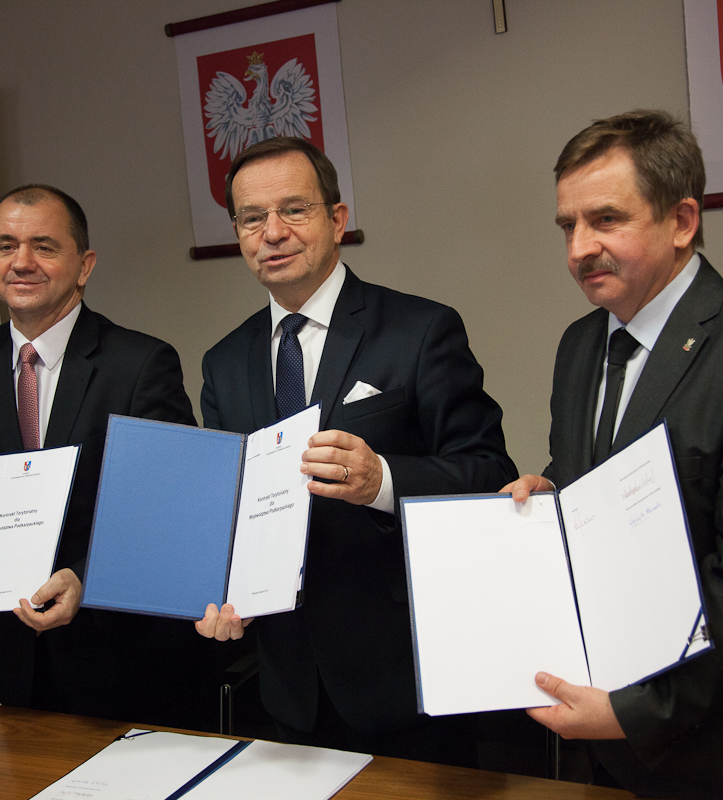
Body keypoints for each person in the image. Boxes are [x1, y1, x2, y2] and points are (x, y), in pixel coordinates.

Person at [504, 111, 723, 798]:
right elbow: (602, 488)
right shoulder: (580, 345)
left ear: (682, 221)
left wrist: (634, 712)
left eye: (606, 220)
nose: (579, 248)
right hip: (610, 750)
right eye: (567, 226)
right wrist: (552, 499)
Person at [195, 137, 517, 764]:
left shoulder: (421, 330)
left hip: (406, 681)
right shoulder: (224, 362)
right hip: (288, 687)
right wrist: (220, 589)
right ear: (237, 234)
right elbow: (229, 512)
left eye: (295, 209)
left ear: (337, 219)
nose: (273, 232)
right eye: (252, 217)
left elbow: (489, 474)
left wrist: (383, 481)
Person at [0, 184, 225, 727]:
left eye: (44, 246)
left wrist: (85, 577)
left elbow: (172, 512)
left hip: (130, 662)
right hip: (21, 661)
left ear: (84, 265)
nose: (22, 262)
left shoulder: (140, 363)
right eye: (5, 245)